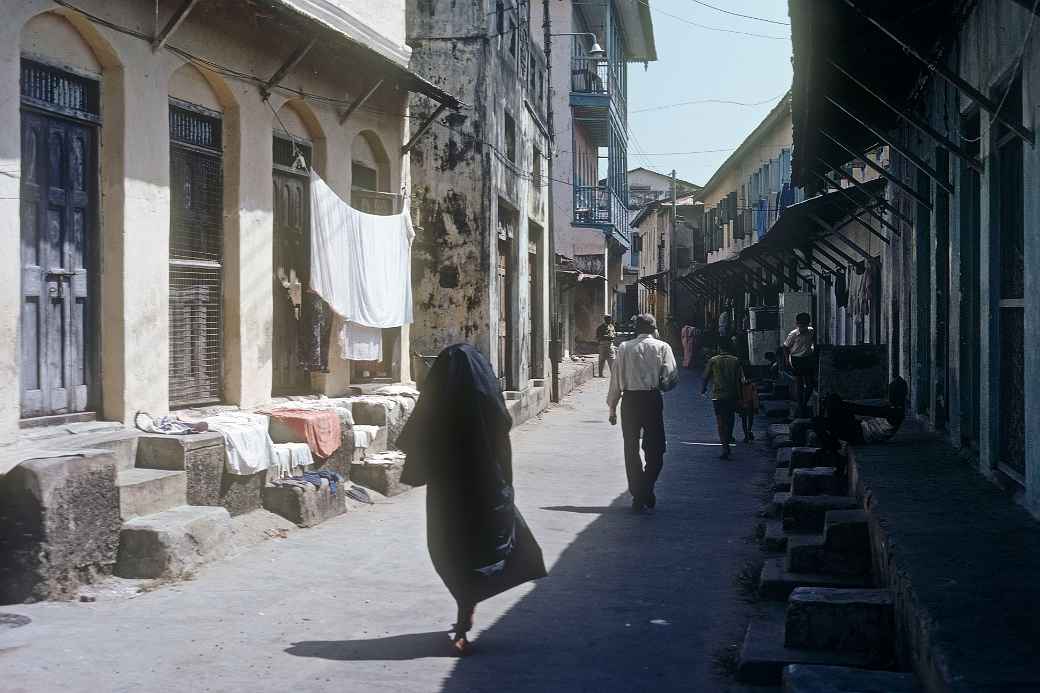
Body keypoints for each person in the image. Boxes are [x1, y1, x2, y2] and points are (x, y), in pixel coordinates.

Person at [397, 344, 547, 655]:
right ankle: (467, 606)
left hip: (448, 490)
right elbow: (502, 426)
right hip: (486, 483)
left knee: (450, 547)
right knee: (487, 544)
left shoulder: (440, 399)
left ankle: (464, 610)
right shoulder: (486, 398)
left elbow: (418, 432)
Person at [607, 313, 679, 513]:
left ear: (636, 329)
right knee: (656, 449)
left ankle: (639, 492)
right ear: (654, 328)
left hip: (629, 401)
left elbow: (615, 381)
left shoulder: (624, 348)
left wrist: (612, 408)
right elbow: (671, 377)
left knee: (630, 448)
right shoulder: (663, 347)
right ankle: (645, 489)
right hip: (651, 400)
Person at [701, 340, 743, 459]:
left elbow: (705, 376)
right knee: (730, 419)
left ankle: (725, 447)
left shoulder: (713, 360)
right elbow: (739, 380)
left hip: (718, 395)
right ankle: (728, 440)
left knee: (720, 422)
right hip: (732, 395)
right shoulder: (735, 361)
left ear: (719, 348)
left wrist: (703, 389)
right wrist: (740, 397)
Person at [784, 312, 817, 416]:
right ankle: (801, 406)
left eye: (805, 325)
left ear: (808, 324)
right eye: (801, 325)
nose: (803, 327)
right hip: (796, 359)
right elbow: (785, 347)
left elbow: (813, 342)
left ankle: (803, 403)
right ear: (797, 324)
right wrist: (787, 360)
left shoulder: (811, 331)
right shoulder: (793, 334)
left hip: (807, 359)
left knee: (810, 384)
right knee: (799, 383)